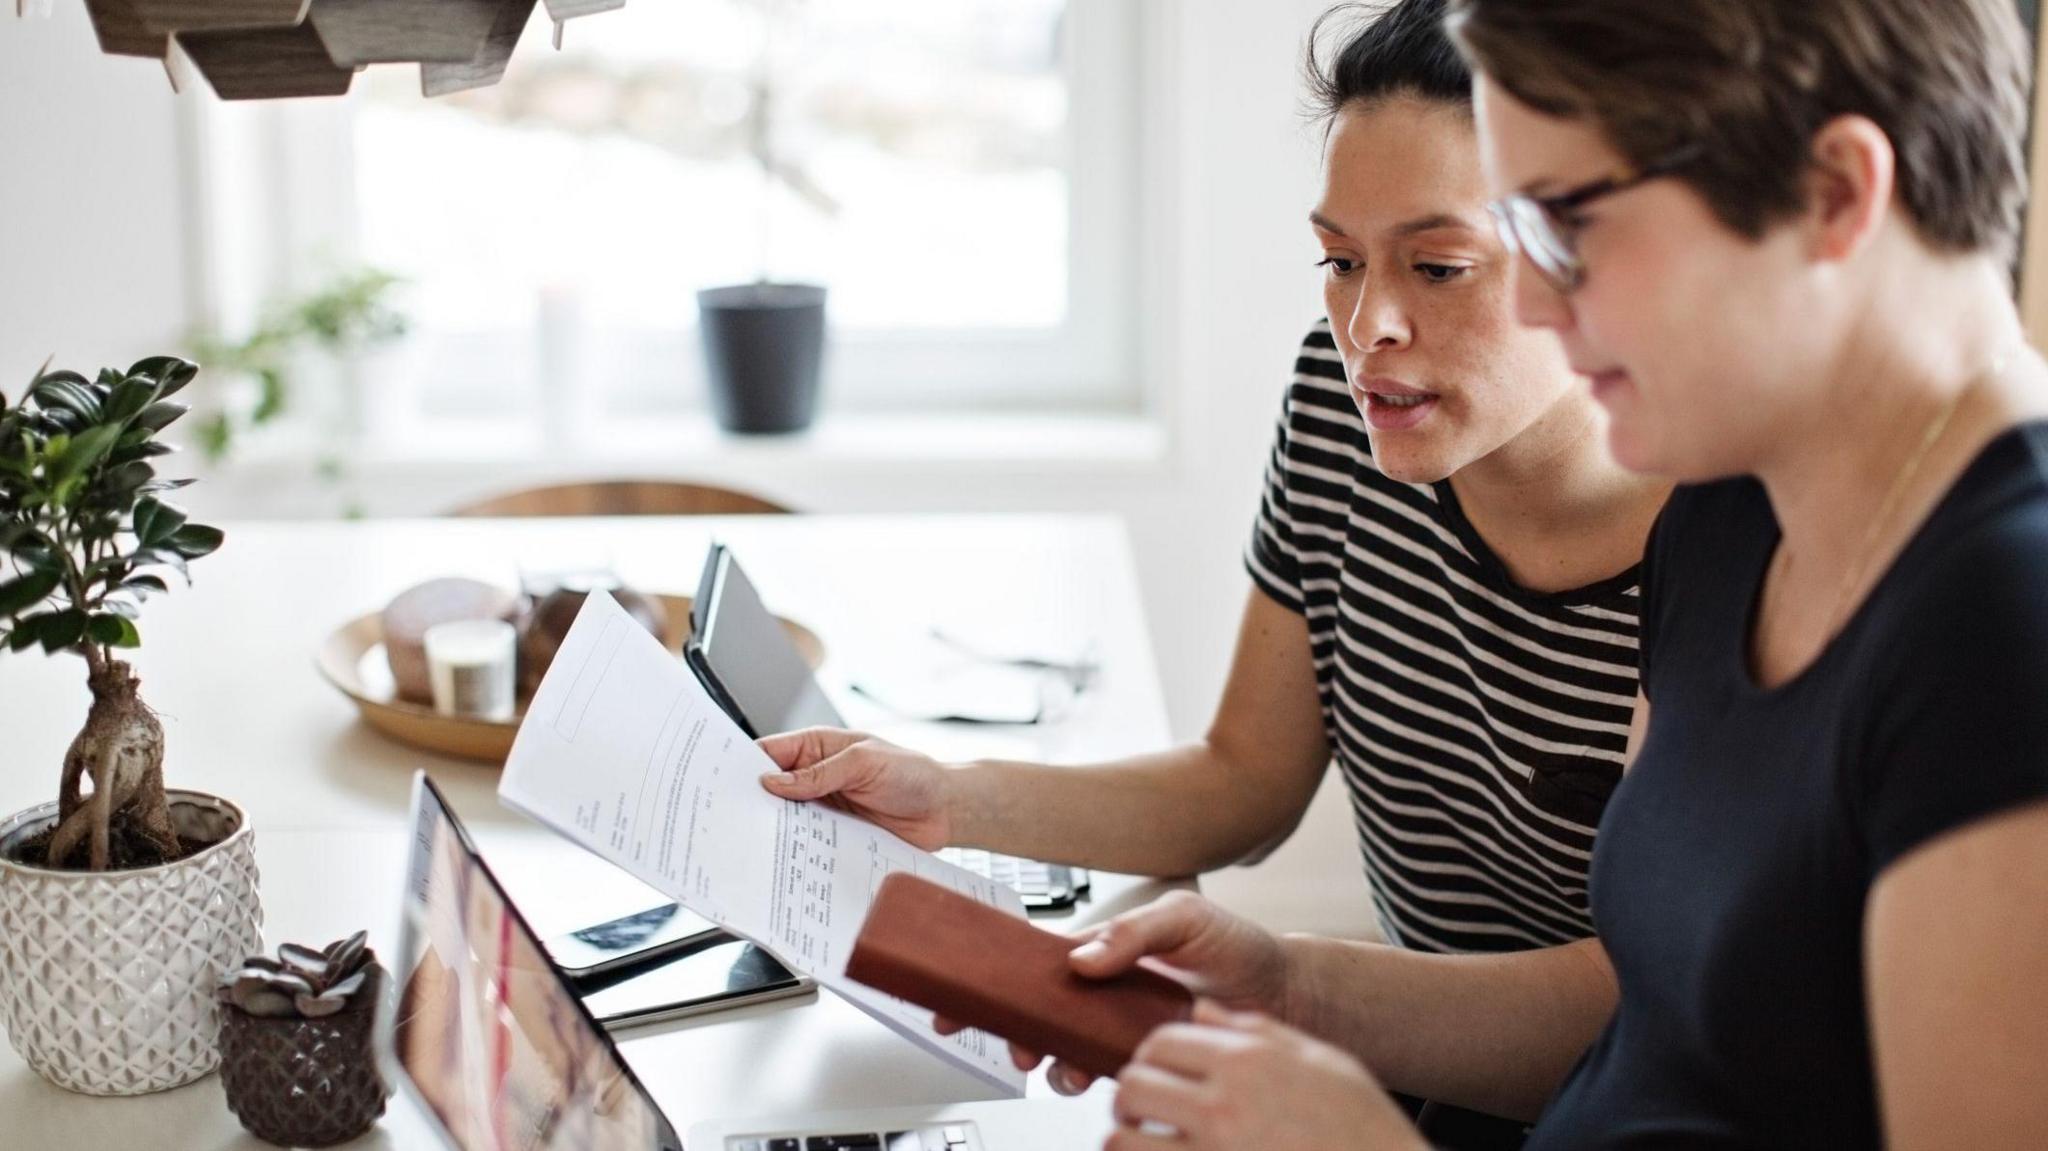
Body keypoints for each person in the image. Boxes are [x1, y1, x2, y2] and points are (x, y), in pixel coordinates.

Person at [997, 0, 2048, 1147]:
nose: (1540, 302)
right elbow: (1645, 1025)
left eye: (1572, 224)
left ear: (1835, 194)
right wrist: (1287, 988)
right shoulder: (1729, 510)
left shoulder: (2005, 619)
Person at [761, 0, 1664, 999]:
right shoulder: (1343, 401)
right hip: (1411, 1086)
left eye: (1437, 267)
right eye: (1339, 261)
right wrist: (947, 794)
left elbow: (1647, 1006)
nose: (1367, 324)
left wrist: (1287, 989)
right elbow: (1243, 781)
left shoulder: (1723, 531)